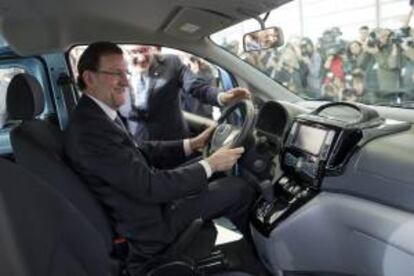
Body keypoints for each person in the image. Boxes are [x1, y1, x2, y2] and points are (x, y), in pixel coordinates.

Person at [64, 41, 255, 261]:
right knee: (240, 189)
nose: (126, 81)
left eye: (125, 73)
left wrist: (191, 144)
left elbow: (139, 148)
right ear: (89, 78)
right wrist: (210, 164)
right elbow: (149, 186)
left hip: (146, 205)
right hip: (151, 226)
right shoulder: (90, 130)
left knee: (218, 174)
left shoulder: (95, 114)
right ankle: (257, 262)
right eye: (117, 74)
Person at [119, 45, 250, 142]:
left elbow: (196, 86)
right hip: (141, 146)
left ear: (151, 48)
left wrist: (221, 97)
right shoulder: (114, 73)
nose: (141, 58)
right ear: (124, 52)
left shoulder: (171, 63)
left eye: (144, 50)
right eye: (134, 52)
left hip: (175, 142)